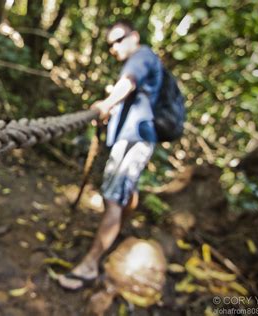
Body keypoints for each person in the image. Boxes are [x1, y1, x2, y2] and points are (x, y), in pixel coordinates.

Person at [58, 20, 163, 290]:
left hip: (133, 141)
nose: (114, 47)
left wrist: (105, 104)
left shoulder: (141, 56)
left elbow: (127, 82)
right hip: (136, 138)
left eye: (119, 40)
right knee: (125, 192)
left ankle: (91, 264)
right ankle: (119, 228)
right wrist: (111, 113)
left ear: (134, 37)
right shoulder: (146, 62)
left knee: (112, 198)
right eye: (110, 44)